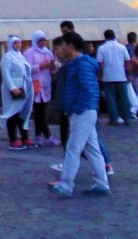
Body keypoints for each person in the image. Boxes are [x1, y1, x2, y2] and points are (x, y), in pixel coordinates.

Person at [49, 35, 106, 197]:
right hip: (83, 110)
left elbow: (87, 89)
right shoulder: (75, 65)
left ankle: (66, 184)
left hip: (83, 111)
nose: (58, 51)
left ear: (70, 46)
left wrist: (76, 109)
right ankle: (102, 182)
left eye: (61, 46)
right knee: (92, 148)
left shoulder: (82, 65)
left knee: (73, 148)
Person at [0, 36, 31, 148]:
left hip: (23, 87)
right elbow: (6, 74)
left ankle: (25, 137)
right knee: (12, 112)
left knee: (23, 112)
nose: (18, 45)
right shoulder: (8, 57)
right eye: (15, 43)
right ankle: (13, 138)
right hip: (13, 89)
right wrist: (12, 87)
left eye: (19, 43)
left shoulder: (21, 56)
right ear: (11, 44)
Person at [94, 29, 131, 126]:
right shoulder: (122, 47)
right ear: (115, 36)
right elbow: (128, 61)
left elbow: (100, 63)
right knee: (123, 97)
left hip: (108, 76)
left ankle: (114, 118)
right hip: (121, 76)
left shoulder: (102, 48)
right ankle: (126, 117)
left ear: (105, 37)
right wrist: (127, 72)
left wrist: (100, 75)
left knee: (111, 98)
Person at [24, 32, 55, 145]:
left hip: (46, 84)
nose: (42, 43)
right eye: (40, 41)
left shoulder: (48, 53)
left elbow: (53, 70)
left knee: (42, 111)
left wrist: (53, 66)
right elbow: (27, 68)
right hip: (35, 84)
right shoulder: (29, 52)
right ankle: (46, 135)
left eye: (44, 40)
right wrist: (41, 66)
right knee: (39, 111)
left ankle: (39, 135)